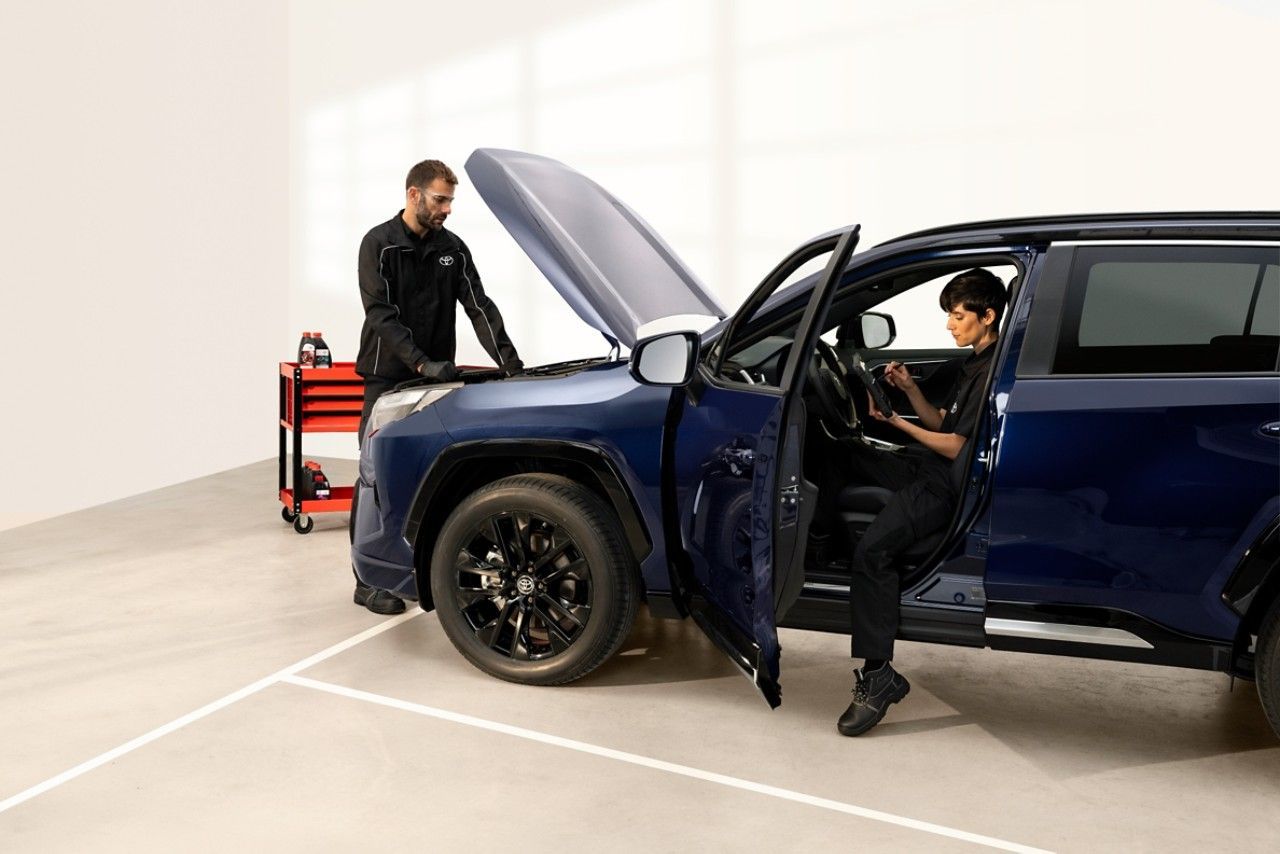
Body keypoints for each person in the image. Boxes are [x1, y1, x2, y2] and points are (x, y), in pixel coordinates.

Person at [837, 268, 1006, 736]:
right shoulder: (974, 361)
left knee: (872, 552)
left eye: (958, 316)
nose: (950, 325)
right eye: (949, 315)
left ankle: (878, 676)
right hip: (928, 467)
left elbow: (957, 447)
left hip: (945, 486)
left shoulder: (992, 371)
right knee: (844, 451)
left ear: (988, 316)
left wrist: (896, 422)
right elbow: (944, 423)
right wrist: (910, 390)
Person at [351, 159, 523, 614]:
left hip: (437, 376)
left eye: (450, 201)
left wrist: (512, 365)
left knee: (426, 471)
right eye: (440, 199)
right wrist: (420, 362)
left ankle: (412, 566)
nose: (447, 209)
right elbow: (381, 315)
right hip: (389, 375)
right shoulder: (379, 245)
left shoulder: (453, 248)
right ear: (414, 195)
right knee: (376, 475)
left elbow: (479, 307)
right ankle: (367, 581)